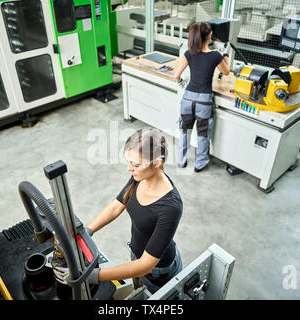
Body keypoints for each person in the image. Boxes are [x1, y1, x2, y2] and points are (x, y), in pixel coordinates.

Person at [86, 127, 183, 294]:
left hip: (158, 272)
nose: (129, 169)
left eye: (135, 164)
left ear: (157, 163)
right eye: (129, 162)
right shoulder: (140, 176)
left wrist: (95, 276)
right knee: (138, 291)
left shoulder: (170, 207)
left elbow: (146, 264)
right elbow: (117, 205)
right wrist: (87, 231)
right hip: (136, 255)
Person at [174, 22, 231, 172]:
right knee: (203, 134)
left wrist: (182, 84)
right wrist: (226, 56)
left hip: (187, 100)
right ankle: (200, 163)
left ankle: (181, 161)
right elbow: (226, 72)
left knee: (184, 132)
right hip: (204, 102)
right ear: (210, 37)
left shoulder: (188, 53)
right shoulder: (215, 55)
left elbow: (176, 76)